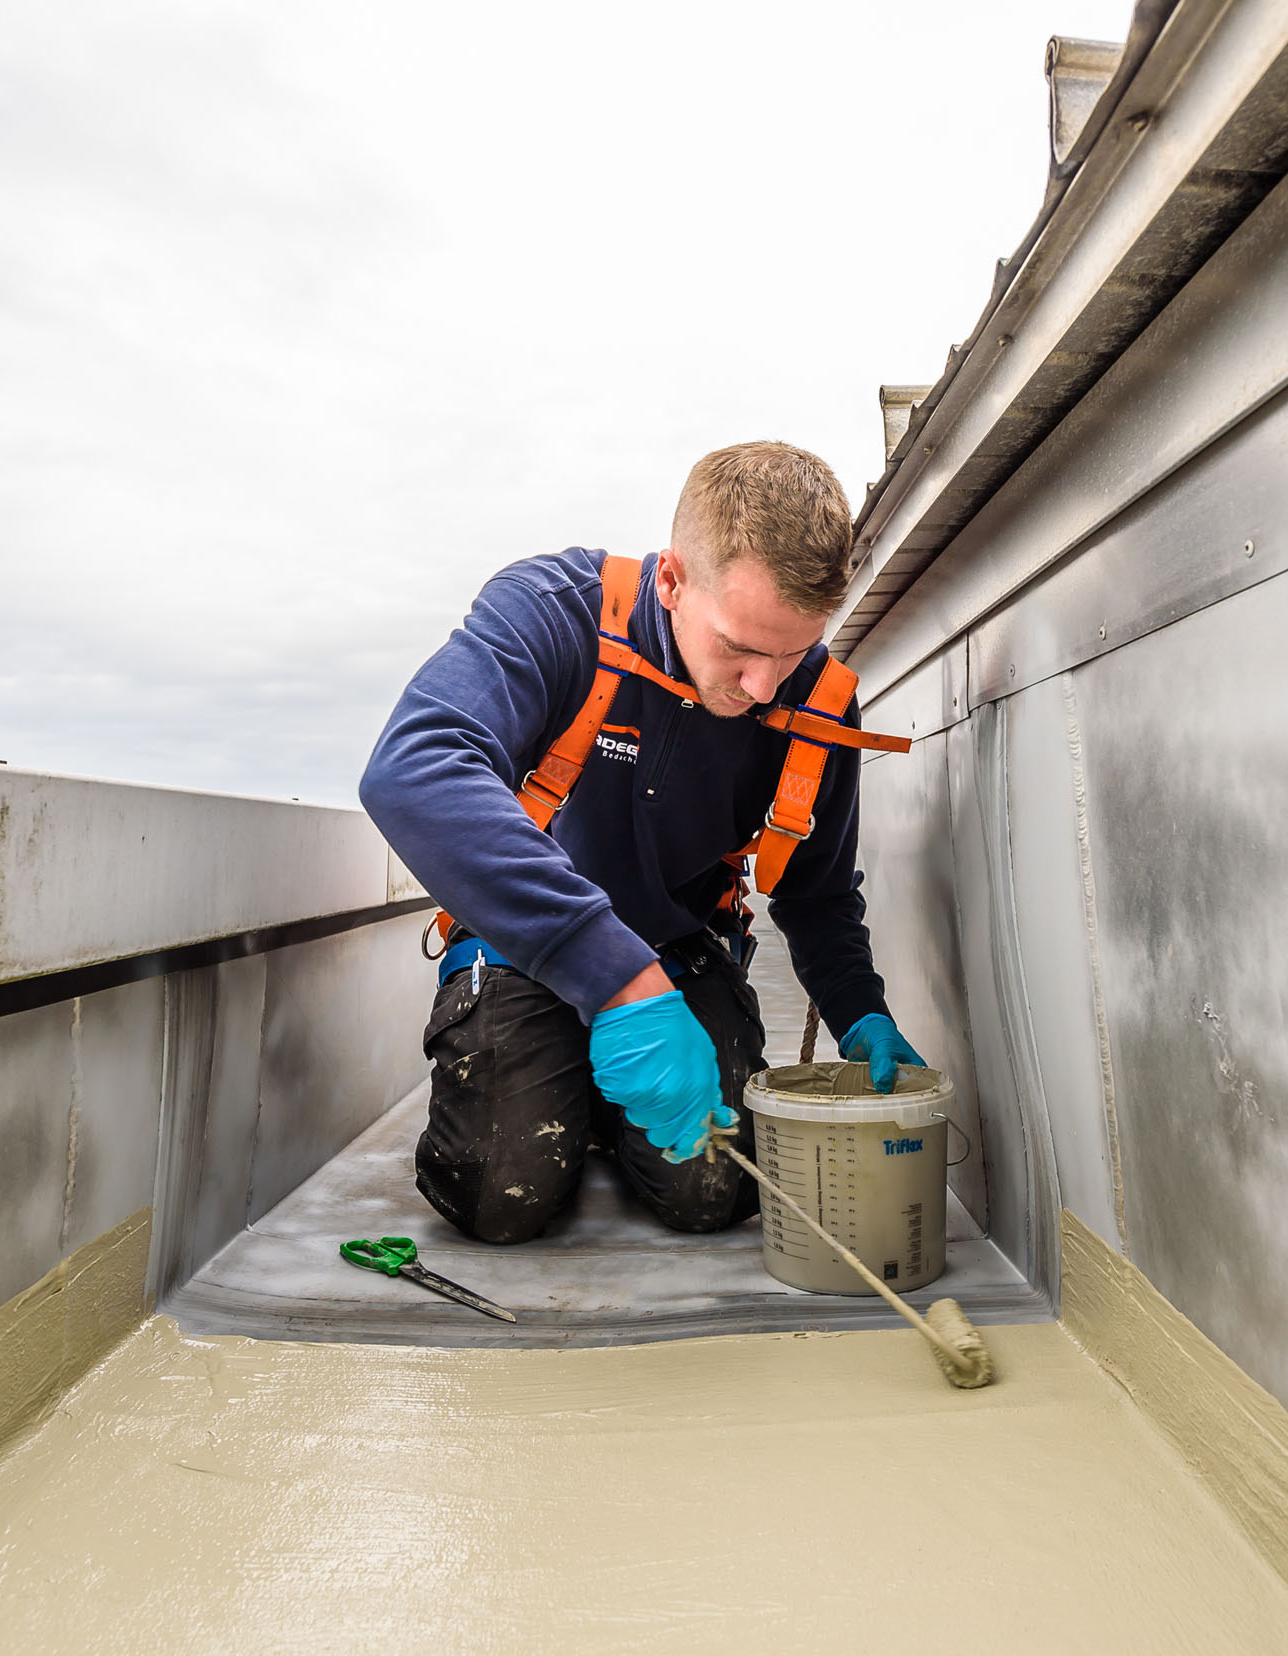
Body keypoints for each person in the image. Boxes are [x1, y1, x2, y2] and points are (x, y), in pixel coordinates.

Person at [359, 440, 928, 1245]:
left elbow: (817, 891)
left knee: (714, 1191)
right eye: (739, 646)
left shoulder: (822, 703)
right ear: (670, 581)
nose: (763, 687)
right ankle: (565, 1078)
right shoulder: (556, 611)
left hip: (679, 943)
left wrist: (860, 1011)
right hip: (525, 943)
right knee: (499, 1192)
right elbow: (411, 768)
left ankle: (596, 1089)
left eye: (793, 651)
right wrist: (618, 982)